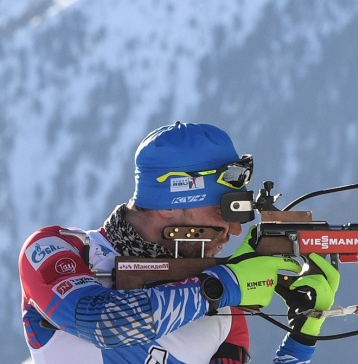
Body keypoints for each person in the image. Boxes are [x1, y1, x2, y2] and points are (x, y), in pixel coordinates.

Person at [18, 122, 339, 364]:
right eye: (224, 208)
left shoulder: (225, 314)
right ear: (169, 205)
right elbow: (104, 324)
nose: (235, 230)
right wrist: (226, 284)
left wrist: (301, 337)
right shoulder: (60, 249)